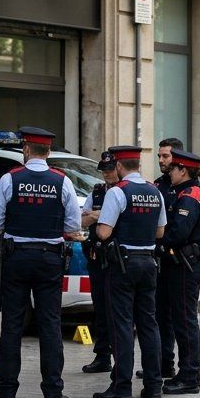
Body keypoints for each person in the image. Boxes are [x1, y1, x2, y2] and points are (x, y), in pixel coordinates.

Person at [0, 127, 80, 398]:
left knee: (12, 325)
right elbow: (73, 225)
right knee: (50, 325)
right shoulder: (62, 181)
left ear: (26, 149)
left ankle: (7, 393)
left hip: (16, 257)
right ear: (48, 151)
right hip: (50, 258)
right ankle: (52, 393)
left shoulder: (10, 179)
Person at [90, 146, 167, 398]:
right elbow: (160, 232)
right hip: (148, 262)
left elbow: (103, 232)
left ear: (120, 166)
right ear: (138, 164)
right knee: (148, 324)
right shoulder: (155, 191)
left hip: (123, 264)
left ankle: (121, 387)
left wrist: (102, 223)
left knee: (121, 325)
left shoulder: (118, 191)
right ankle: (154, 385)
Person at [159, 149, 200, 395]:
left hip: (184, 265)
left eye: (173, 169)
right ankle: (189, 372)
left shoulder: (190, 196)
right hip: (180, 263)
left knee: (185, 321)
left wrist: (158, 242)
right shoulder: (182, 191)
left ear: (183, 170)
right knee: (182, 319)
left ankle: (190, 376)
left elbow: (178, 233)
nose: (169, 173)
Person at [148, 137, 185, 382]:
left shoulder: (186, 188)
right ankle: (162, 364)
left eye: (165, 156)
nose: (161, 160)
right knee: (158, 314)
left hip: (178, 260)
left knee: (177, 318)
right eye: (159, 156)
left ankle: (180, 368)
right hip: (157, 259)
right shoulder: (157, 185)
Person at [78, 149, 118, 375]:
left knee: (117, 311)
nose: (106, 174)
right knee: (100, 309)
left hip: (118, 260)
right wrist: (98, 215)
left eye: (110, 170)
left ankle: (119, 358)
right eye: (104, 170)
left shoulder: (125, 191)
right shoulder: (97, 192)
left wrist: (97, 215)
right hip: (97, 257)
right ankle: (102, 356)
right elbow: (82, 220)